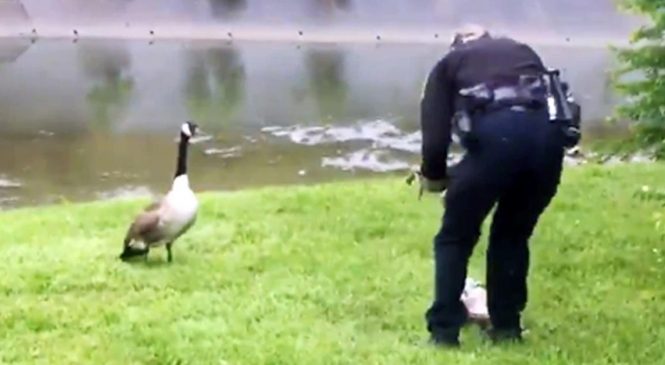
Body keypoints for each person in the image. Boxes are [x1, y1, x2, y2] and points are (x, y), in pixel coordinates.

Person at [415, 25, 579, 347]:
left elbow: (434, 136)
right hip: (547, 146)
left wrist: (434, 177)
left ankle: (444, 334)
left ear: (455, 46)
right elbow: (562, 105)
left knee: (454, 237)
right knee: (512, 236)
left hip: (498, 142)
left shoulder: (449, 65)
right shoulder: (523, 52)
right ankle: (507, 329)